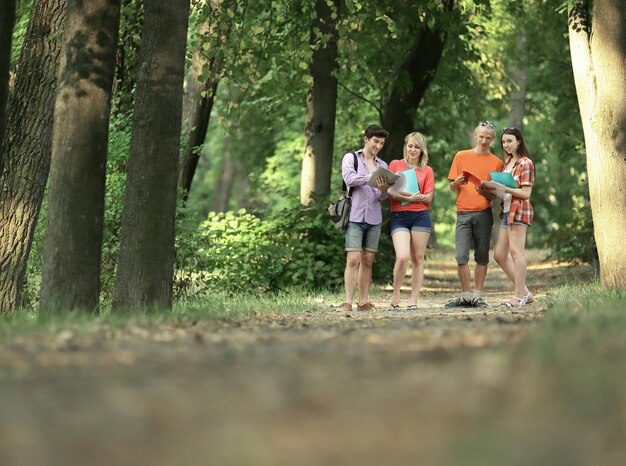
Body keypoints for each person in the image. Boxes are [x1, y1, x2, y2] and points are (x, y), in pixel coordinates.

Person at [446, 121, 505, 308]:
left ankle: (477, 295)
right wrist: (457, 182)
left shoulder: (497, 163)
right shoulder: (461, 156)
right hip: (463, 212)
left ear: (493, 140)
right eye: (481, 137)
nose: (484, 141)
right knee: (461, 256)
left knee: (481, 256)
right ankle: (465, 296)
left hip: (483, 213)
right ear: (475, 136)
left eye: (488, 138)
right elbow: (451, 186)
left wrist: (483, 192)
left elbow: (495, 195)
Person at [340, 124, 392, 313]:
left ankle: (362, 302)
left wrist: (384, 189)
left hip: (374, 217)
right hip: (354, 215)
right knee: (353, 259)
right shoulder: (351, 158)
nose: (378, 146)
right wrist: (370, 176)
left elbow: (381, 197)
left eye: (381, 143)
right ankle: (347, 301)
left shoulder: (383, 166)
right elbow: (350, 179)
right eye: (375, 141)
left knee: (368, 259)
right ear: (366, 139)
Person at [387, 132, 434, 310]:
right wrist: (412, 197)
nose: (413, 149)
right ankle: (396, 293)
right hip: (399, 216)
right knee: (402, 256)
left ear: (422, 149)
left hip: (420, 216)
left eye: (417, 146)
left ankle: (413, 299)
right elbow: (390, 192)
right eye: (410, 145)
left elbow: (428, 198)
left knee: (418, 258)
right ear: (405, 146)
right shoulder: (395, 165)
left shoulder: (427, 170)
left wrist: (407, 195)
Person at [493, 126, 535, 307]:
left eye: (509, 141)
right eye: (503, 142)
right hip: (507, 211)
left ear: (518, 141)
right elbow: (506, 191)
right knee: (499, 255)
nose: (506, 145)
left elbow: (525, 193)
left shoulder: (526, 163)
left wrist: (503, 188)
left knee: (516, 253)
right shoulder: (507, 163)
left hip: (520, 210)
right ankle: (526, 293)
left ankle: (518, 296)